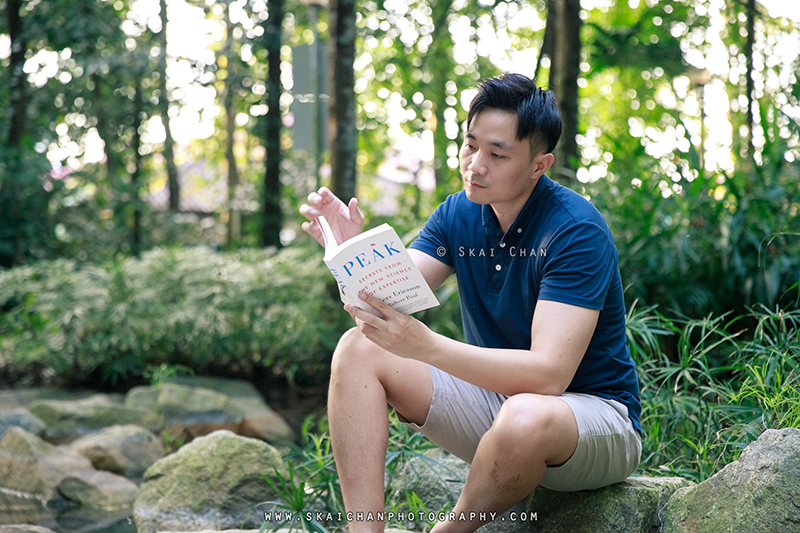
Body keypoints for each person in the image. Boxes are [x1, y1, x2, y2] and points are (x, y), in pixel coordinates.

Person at [299, 73, 641, 533]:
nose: (474, 166)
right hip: (500, 408)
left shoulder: (575, 230)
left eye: (497, 154)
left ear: (539, 165)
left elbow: (548, 376)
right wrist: (347, 251)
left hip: (590, 421)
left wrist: (427, 346)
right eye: (470, 145)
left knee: (525, 414)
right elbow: (383, 302)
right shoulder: (458, 212)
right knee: (358, 348)